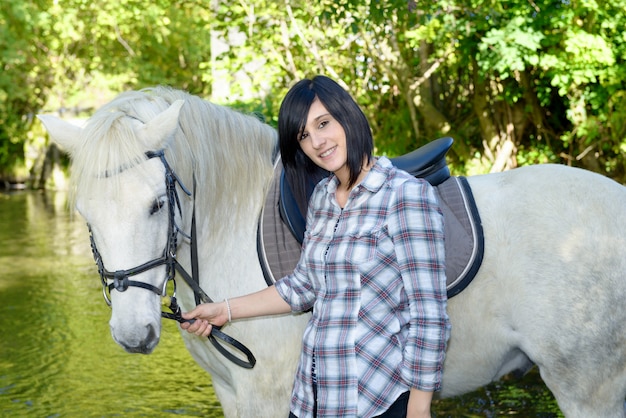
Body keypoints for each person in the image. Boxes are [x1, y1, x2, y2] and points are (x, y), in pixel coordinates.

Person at [181, 75, 451, 418]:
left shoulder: (406, 196)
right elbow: (304, 286)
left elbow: (428, 315)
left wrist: (419, 407)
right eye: (304, 136)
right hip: (311, 401)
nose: (317, 142)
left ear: (347, 115)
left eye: (323, 123)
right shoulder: (322, 197)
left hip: (374, 403)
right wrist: (224, 310)